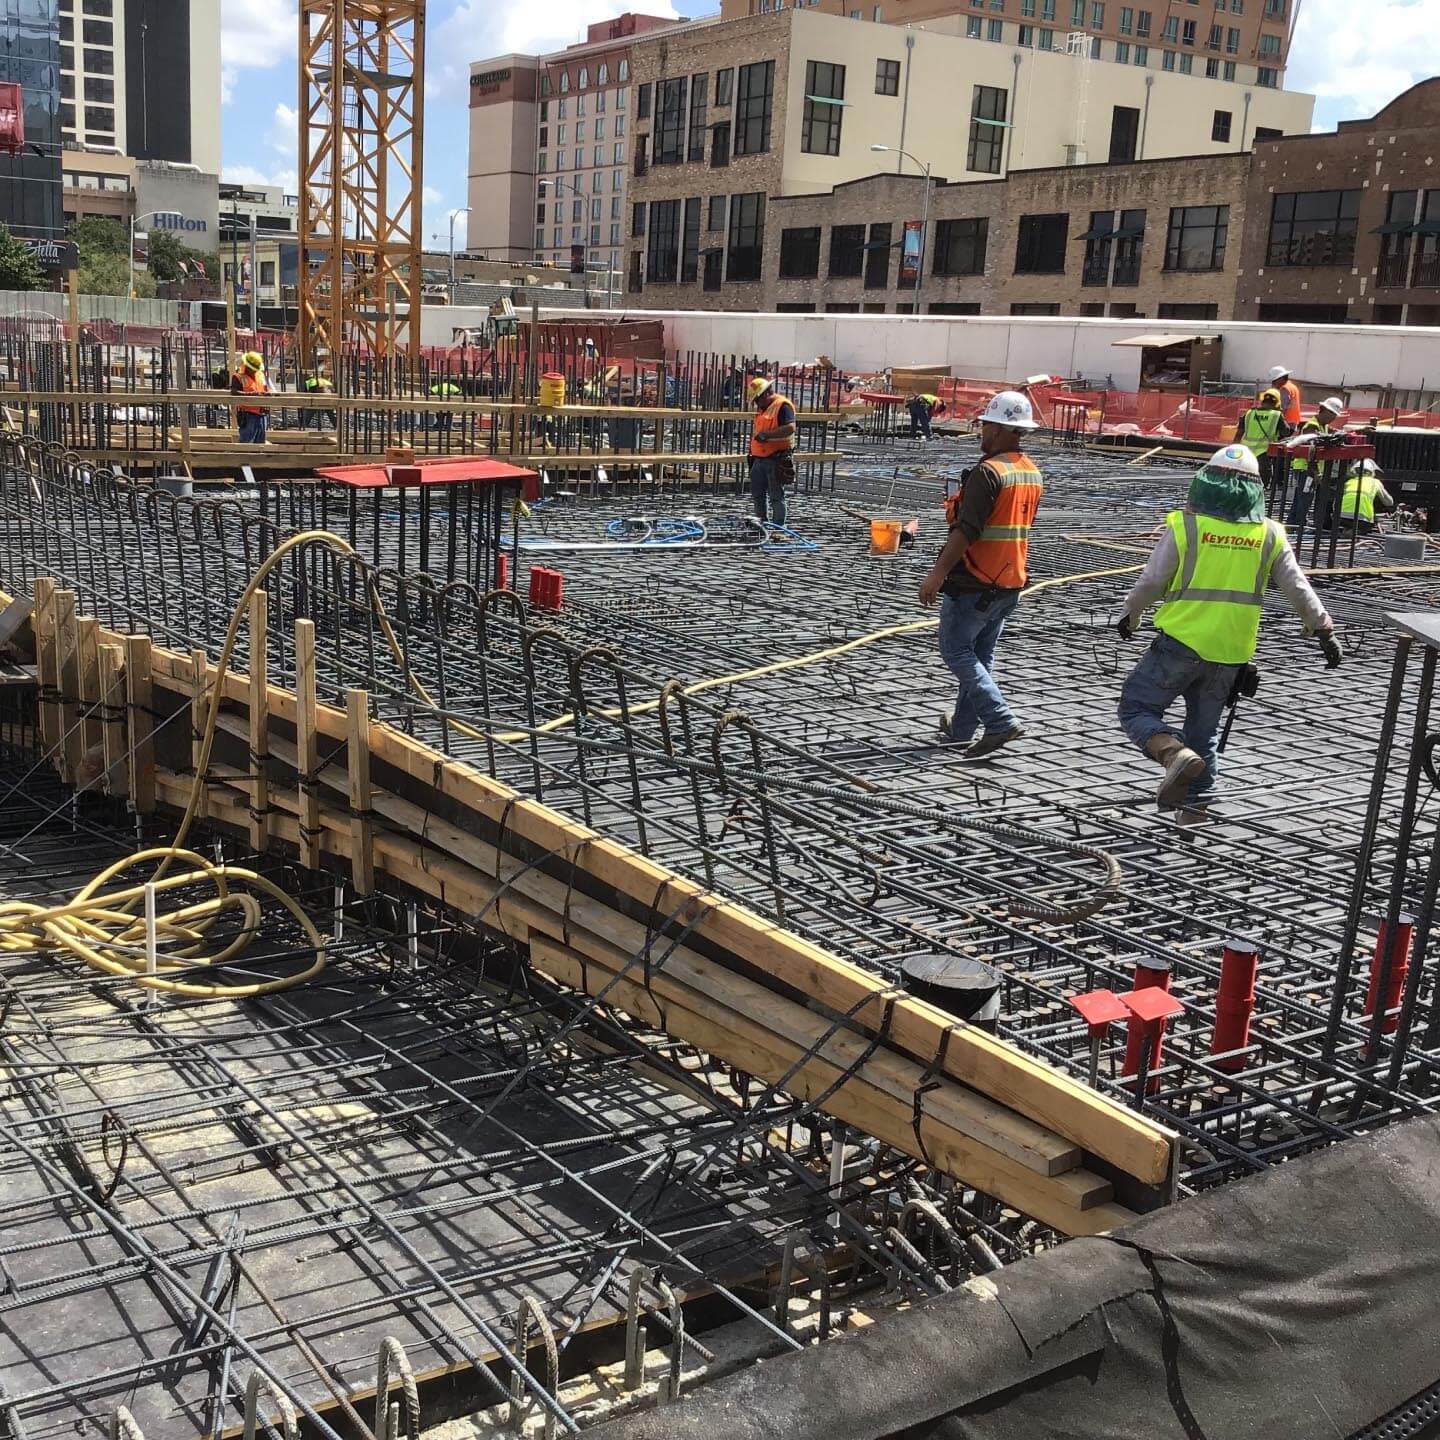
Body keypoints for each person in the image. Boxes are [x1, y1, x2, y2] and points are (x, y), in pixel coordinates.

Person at [1117, 444, 1339, 821]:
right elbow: (1298, 588)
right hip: (1231, 655)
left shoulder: (1187, 525)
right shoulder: (1269, 534)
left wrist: (1130, 614)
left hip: (1180, 644)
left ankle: (1173, 755)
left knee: (1137, 708)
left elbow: (1153, 580)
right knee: (1204, 738)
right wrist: (1323, 630)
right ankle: (1192, 826)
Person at [919, 390, 1044, 759]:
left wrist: (937, 573)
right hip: (1010, 582)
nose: (982, 433)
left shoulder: (988, 473)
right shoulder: (1031, 472)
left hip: (975, 580)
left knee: (955, 650)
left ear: (1005, 429)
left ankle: (1000, 719)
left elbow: (967, 530)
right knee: (980, 657)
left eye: (988, 426)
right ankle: (960, 732)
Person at [1287, 395, 1344, 528]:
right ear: (1323, 409)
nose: (1334, 418)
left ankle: (1292, 525)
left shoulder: (1323, 426)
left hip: (1308, 470)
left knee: (1301, 498)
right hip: (1306, 469)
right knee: (1305, 499)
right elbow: (1310, 452)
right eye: (1332, 414)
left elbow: (1337, 433)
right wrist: (1316, 472)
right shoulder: (1312, 426)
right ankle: (1299, 527)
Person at [747, 375, 796, 527]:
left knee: (776, 496)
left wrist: (767, 436)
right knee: (757, 495)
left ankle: (778, 527)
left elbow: (790, 428)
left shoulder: (782, 406)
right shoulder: (764, 409)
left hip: (775, 459)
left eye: (757, 399)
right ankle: (761, 524)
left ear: (766, 393)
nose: (756, 403)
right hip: (758, 459)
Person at [1338, 458, 1397, 534]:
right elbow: (1389, 502)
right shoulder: (1375, 482)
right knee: (1366, 527)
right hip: (1362, 519)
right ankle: (1352, 534)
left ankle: (1347, 532)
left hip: (1341, 517)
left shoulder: (1349, 482)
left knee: (1349, 524)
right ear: (1371, 472)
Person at [1237, 387, 1290, 459]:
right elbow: (1286, 432)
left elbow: (1239, 434)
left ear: (1262, 401)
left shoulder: (1249, 413)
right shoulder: (1276, 415)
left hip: (1246, 453)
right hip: (1264, 453)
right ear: (1276, 403)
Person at [232, 351, 271, 444]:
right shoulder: (238, 377)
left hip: (262, 414)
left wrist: (268, 395)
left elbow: (266, 389)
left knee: (260, 444)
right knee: (247, 444)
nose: (254, 371)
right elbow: (234, 392)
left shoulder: (260, 375)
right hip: (248, 415)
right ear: (247, 366)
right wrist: (250, 395)